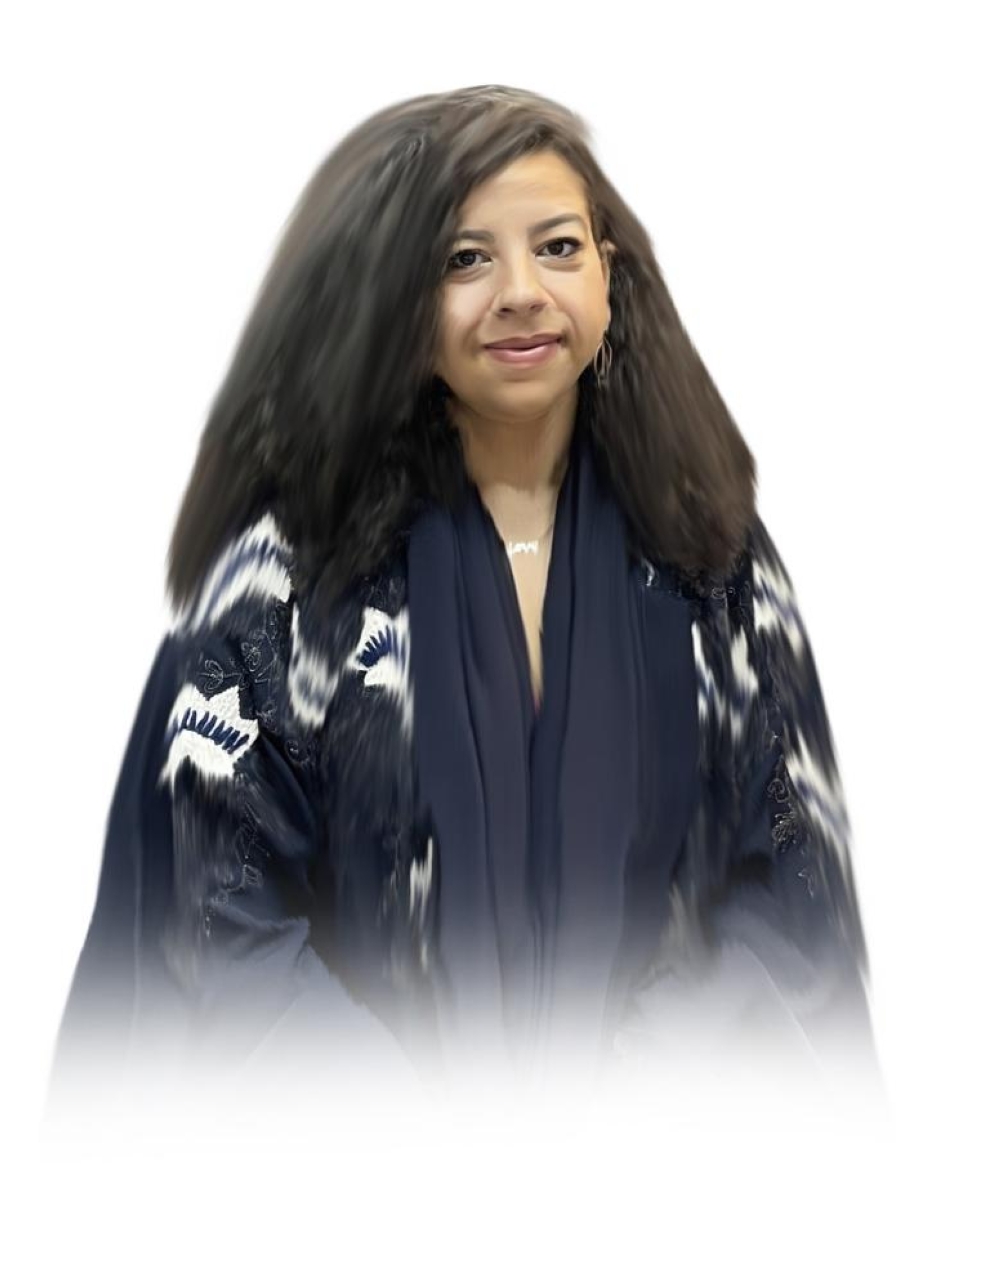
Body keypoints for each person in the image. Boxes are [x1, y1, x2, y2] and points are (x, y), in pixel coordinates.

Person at [46, 84, 880, 1112]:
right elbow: (208, 919)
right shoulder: (287, 577)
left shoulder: (711, 555)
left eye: (558, 247)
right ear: (396, 298)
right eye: (463, 259)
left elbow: (793, 890)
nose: (521, 291)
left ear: (610, 273)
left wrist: (625, 1115)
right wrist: (441, 1147)